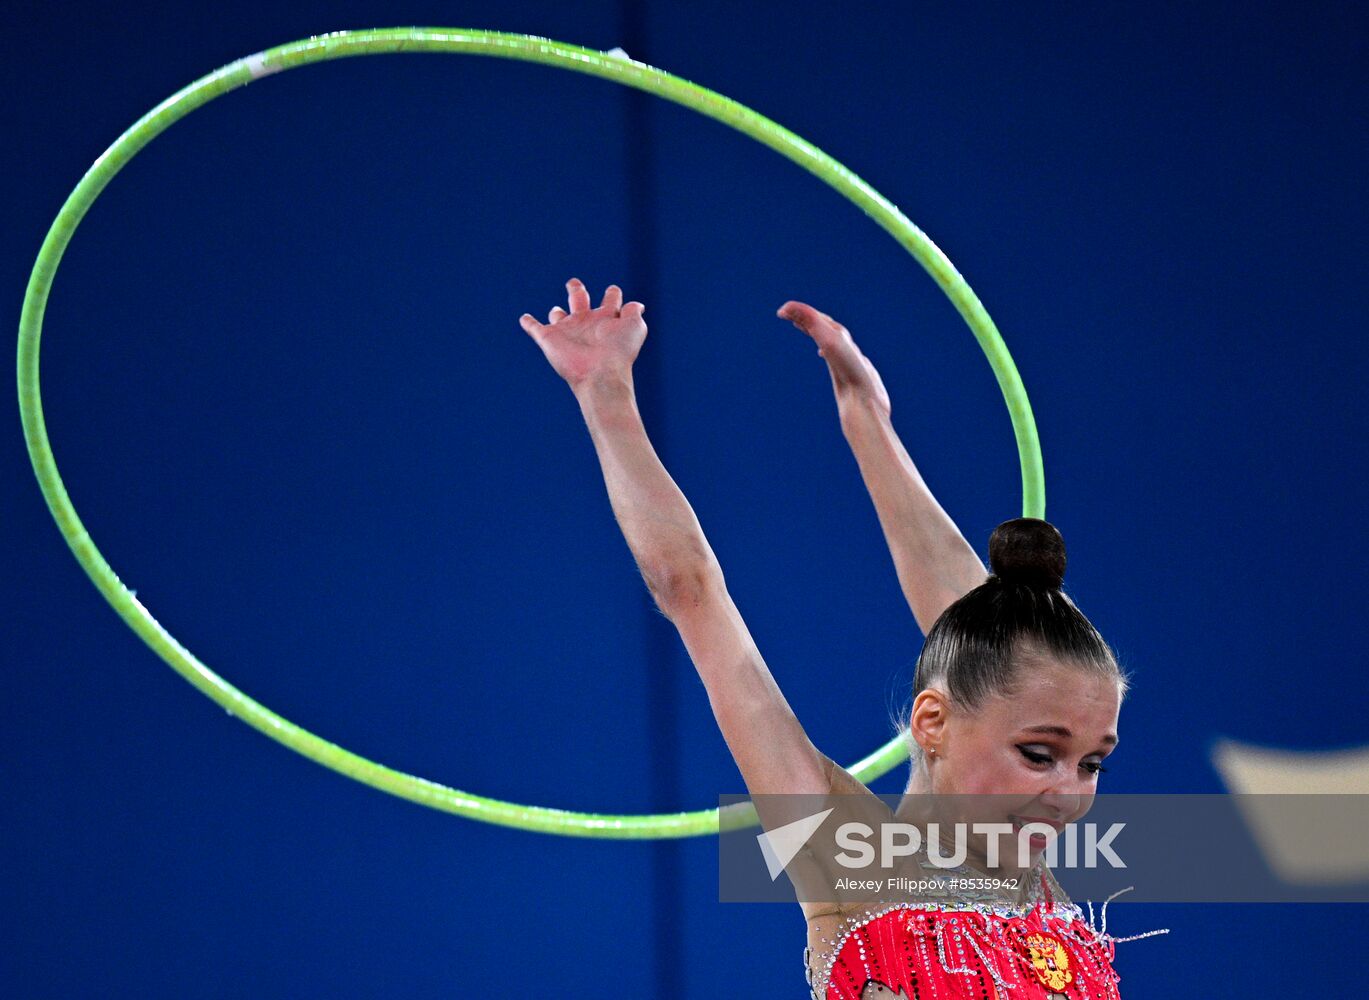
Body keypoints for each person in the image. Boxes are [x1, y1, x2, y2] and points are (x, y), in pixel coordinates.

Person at [519, 279, 1149, 999]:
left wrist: (868, 422)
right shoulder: (849, 857)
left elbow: (985, 625)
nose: (1068, 793)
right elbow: (689, 591)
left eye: (1092, 763)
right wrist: (605, 393)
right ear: (932, 722)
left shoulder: (1042, 895)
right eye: (1039, 754)